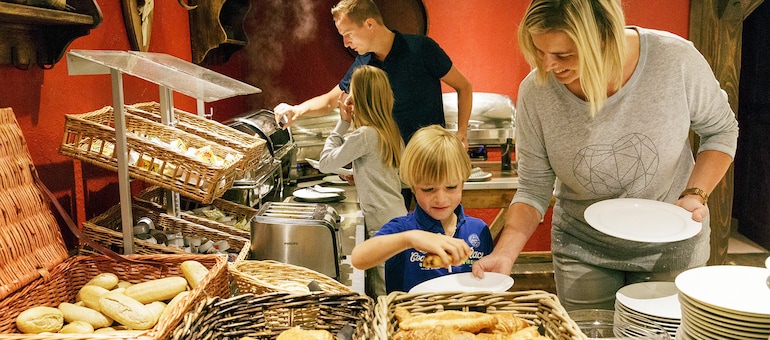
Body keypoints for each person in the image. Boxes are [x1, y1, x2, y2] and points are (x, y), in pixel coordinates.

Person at [472, 0, 739, 311]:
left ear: (606, 37)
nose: (547, 66)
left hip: (671, 246)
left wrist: (695, 194)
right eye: (539, 52)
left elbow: (721, 131)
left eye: (563, 55)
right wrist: (505, 252)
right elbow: (533, 188)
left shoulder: (675, 59)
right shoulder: (536, 91)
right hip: (583, 248)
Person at [273, 0, 473, 209]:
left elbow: (464, 87)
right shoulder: (364, 62)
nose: (345, 43)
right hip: (391, 172)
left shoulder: (421, 48)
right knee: (398, 235)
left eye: (348, 34)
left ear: (369, 24)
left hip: (429, 162)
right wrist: (297, 110)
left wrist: (461, 132)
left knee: (437, 231)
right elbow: (332, 100)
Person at [351, 125, 494, 294]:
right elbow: (358, 258)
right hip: (410, 318)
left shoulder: (479, 231)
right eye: (428, 189)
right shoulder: (403, 229)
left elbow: (491, 284)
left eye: (451, 187)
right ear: (413, 187)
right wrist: (409, 239)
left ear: (463, 182)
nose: (441, 199)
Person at [318, 65, 407, 297]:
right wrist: (360, 175)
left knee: (383, 295)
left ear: (358, 100)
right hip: (397, 215)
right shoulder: (390, 130)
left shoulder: (365, 134)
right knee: (397, 288)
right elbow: (390, 174)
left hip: (381, 223)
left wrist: (343, 123)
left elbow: (325, 162)